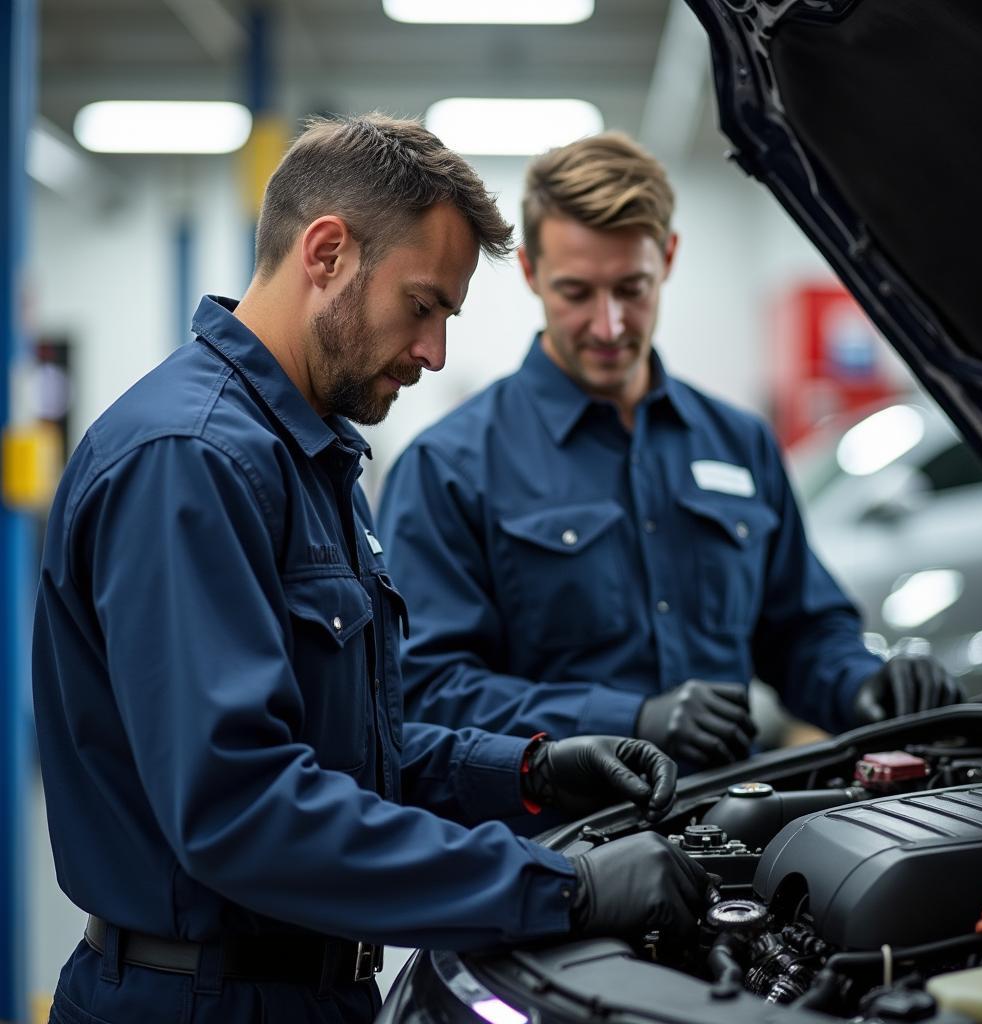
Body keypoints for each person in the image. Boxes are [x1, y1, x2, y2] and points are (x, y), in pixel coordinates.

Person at [32, 116, 714, 1024]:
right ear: (326, 252)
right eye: (423, 305)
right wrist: (564, 886)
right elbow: (246, 807)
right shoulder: (190, 461)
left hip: (306, 987)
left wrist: (531, 771)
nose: (434, 352)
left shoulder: (309, 459)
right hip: (205, 1000)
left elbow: (345, 756)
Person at [377, 131, 962, 782]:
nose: (609, 325)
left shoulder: (739, 444)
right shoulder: (449, 466)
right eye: (577, 292)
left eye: (632, 288)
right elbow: (427, 692)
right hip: (559, 847)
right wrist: (628, 720)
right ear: (532, 274)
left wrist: (863, 686)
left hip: (729, 819)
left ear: (669, 258)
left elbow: (801, 631)